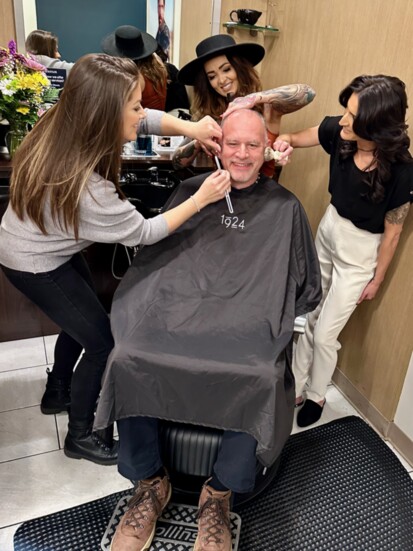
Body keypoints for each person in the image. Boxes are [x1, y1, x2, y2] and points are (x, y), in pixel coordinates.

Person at [94, 109, 321, 551]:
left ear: (266, 150)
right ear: (218, 145)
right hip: (178, 311)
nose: (241, 153)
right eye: (232, 143)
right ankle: (148, 482)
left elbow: (303, 283)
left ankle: (218, 493)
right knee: (128, 355)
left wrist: (263, 310)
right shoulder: (191, 191)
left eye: (252, 145)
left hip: (246, 320)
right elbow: (154, 257)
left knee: (262, 373)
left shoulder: (284, 208)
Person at [0, 53, 231, 466]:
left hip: (38, 244)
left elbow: (139, 120)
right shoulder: (88, 187)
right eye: (136, 104)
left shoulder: (65, 118)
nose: (142, 112)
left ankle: (58, 390)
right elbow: (144, 233)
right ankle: (81, 434)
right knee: (103, 341)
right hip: (33, 261)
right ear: (106, 113)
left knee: (82, 317)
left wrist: (191, 127)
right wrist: (201, 199)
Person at [275, 74, 413, 427]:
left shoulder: (402, 170)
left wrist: (377, 279)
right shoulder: (341, 133)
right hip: (329, 227)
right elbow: (298, 136)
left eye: (354, 117)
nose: (344, 121)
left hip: (361, 250)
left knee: (325, 334)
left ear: (378, 127)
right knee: (308, 312)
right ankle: (296, 385)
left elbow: (393, 233)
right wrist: (285, 140)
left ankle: (318, 393)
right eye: (346, 112)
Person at [173, 34, 316, 177]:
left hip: (263, 194)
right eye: (212, 77)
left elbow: (308, 92)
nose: (222, 80)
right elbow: (176, 162)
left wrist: (253, 98)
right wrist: (198, 143)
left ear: (239, 67)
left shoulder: (266, 107)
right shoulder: (207, 117)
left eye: (226, 69)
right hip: (221, 192)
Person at [101, 25, 168, 111]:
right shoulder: (157, 63)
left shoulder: (135, 77)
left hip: (142, 122)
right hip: (157, 119)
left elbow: (121, 110)